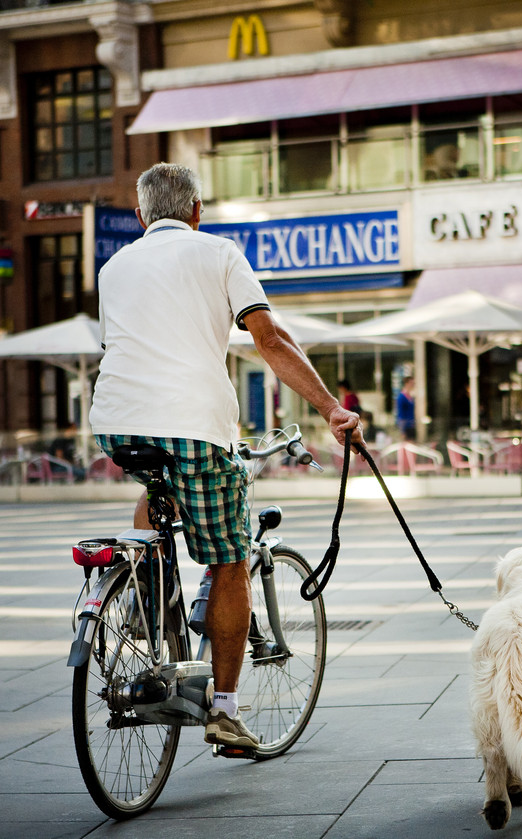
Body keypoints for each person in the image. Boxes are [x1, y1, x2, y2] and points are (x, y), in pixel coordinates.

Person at [90, 163, 362, 751]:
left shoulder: (113, 267)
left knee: (158, 486)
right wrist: (330, 409)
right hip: (195, 428)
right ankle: (225, 711)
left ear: (140, 217)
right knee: (231, 559)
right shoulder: (220, 253)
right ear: (196, 212)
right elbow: (268, 339)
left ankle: (147, 597)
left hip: (114, 425)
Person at [396, 376, 416, 441]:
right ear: (406, 383)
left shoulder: (410, 396)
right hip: (406, 425)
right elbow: (401, 413)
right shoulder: (401, 397)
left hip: (411, 424)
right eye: (411, 383)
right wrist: (402, 430)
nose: (412, 385)